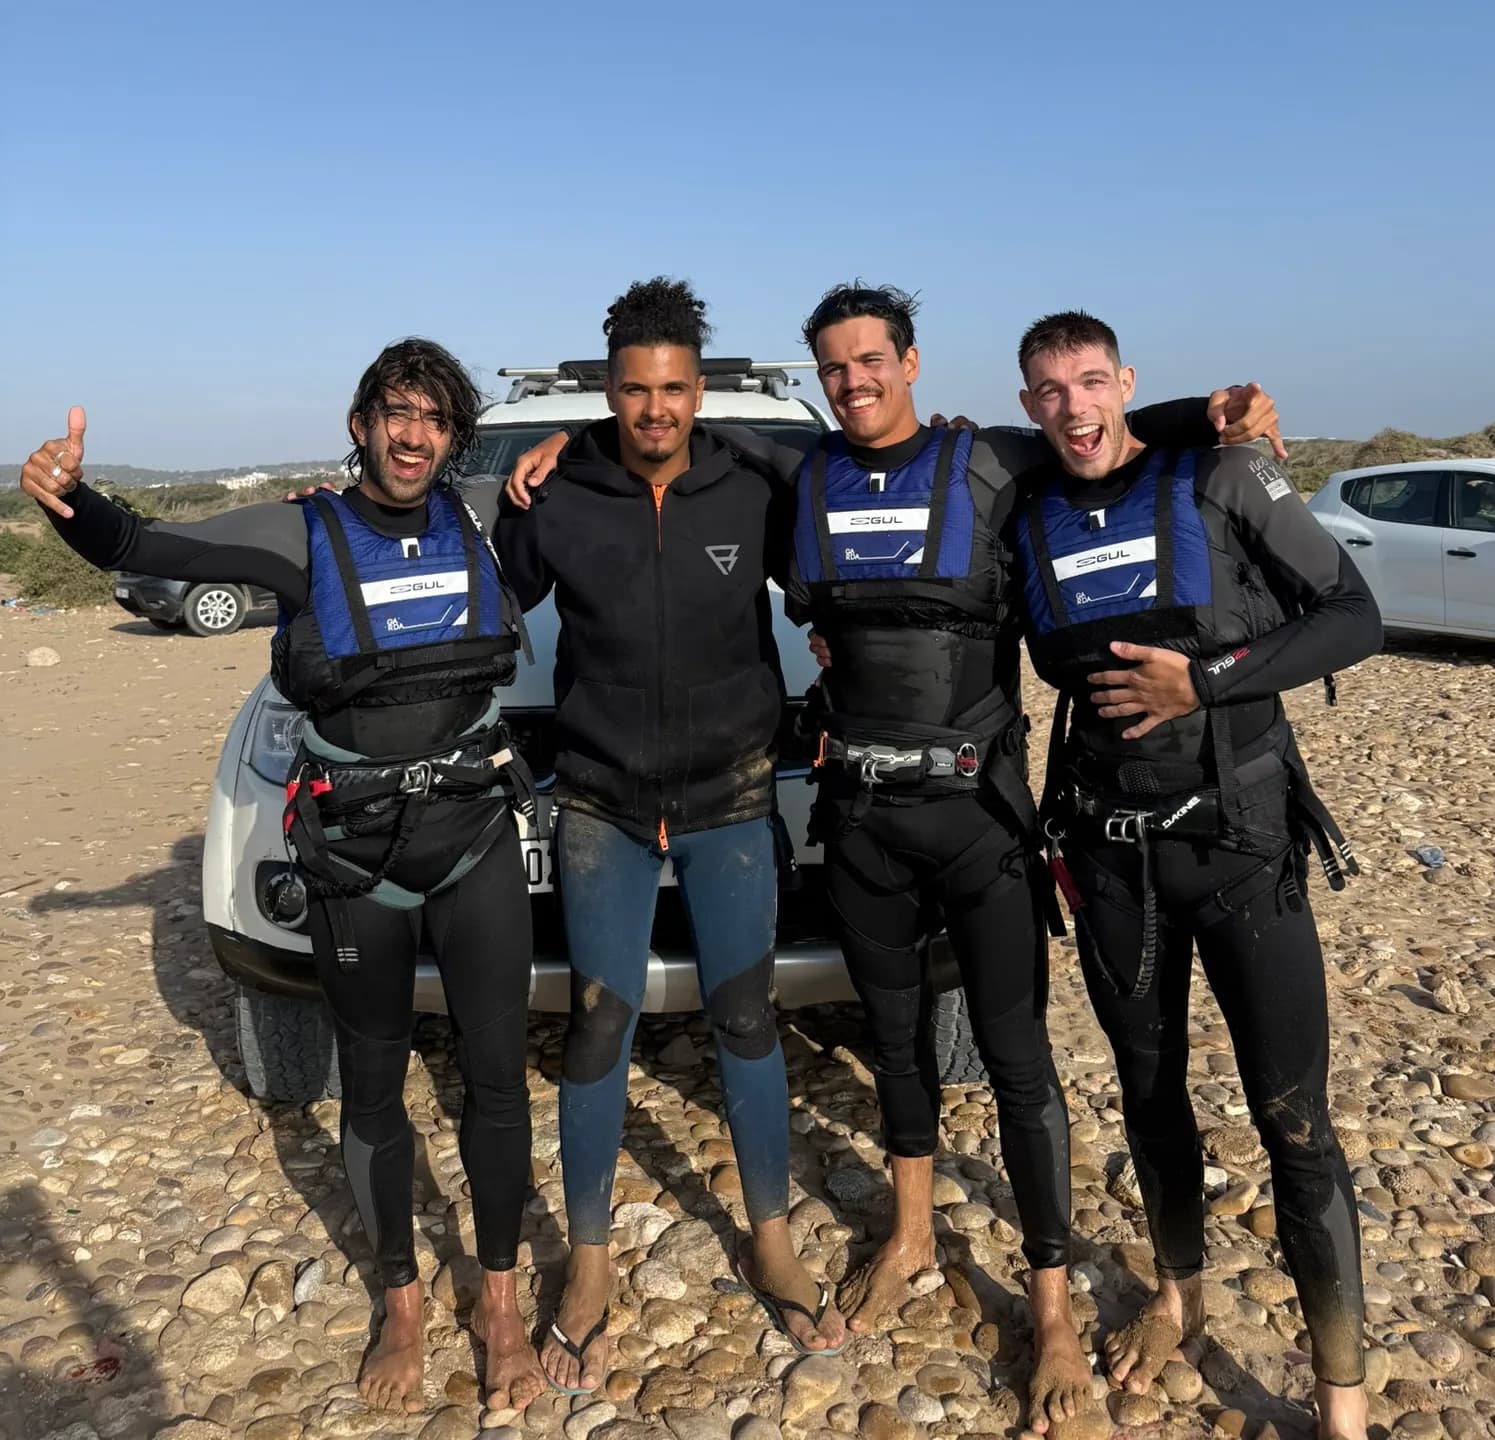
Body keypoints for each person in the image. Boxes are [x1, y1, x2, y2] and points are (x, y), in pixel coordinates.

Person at [509, 283, 1279, 1435]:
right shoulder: (677, 479)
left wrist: (1202, 410)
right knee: (711, 1033)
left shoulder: (902, 461)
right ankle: (710, 1253)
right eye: (836, 366)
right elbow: (490, 577)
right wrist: (545, 446)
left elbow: (1087, 433)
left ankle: (991, 1289)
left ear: (909, 360)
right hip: (727, 805)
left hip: (892, 804)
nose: (853, 380)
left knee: (928, 1050)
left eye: (871, 360)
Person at [21, 341, 545, 1418]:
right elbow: (154, 540)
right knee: (370, 1083)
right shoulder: (301, 532)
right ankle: (400, 1295)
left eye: (435, 418)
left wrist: (567, 442)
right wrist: (70, 502)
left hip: (473, 839)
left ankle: (498, 1300)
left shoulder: (489, 514)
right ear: (361, 422)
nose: (413, 434)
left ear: (455, 434)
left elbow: (630, 459)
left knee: (498, 1080)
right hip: (357, 856)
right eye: (395, 413)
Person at [1011, 310, 1380, 1440]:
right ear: (1029, 405)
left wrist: (1205, 680)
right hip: (1113, 855)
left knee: (1293, 1119)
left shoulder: (1222, 477)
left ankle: (1343, 1399)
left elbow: (1354, 615)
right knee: (1149, 1092)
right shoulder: (1029, 506)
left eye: (1091, 381)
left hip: (1239, 844)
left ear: (1126, 380)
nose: (1073, 406)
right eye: (1049, 391)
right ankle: (1177, 1293)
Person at [492, 278, 845, 1393]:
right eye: (637, 390)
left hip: (732, 794)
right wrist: (369, 506)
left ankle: (772, 1237)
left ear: (700, 386)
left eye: (675, 388)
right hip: (599, 797)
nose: (657, 408)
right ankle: (589, 1265)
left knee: (746, 1015)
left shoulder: (754, 479)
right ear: (612, 389)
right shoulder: (557, 489)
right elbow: (479, 592)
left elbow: (853, 562)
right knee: (597, 1024)